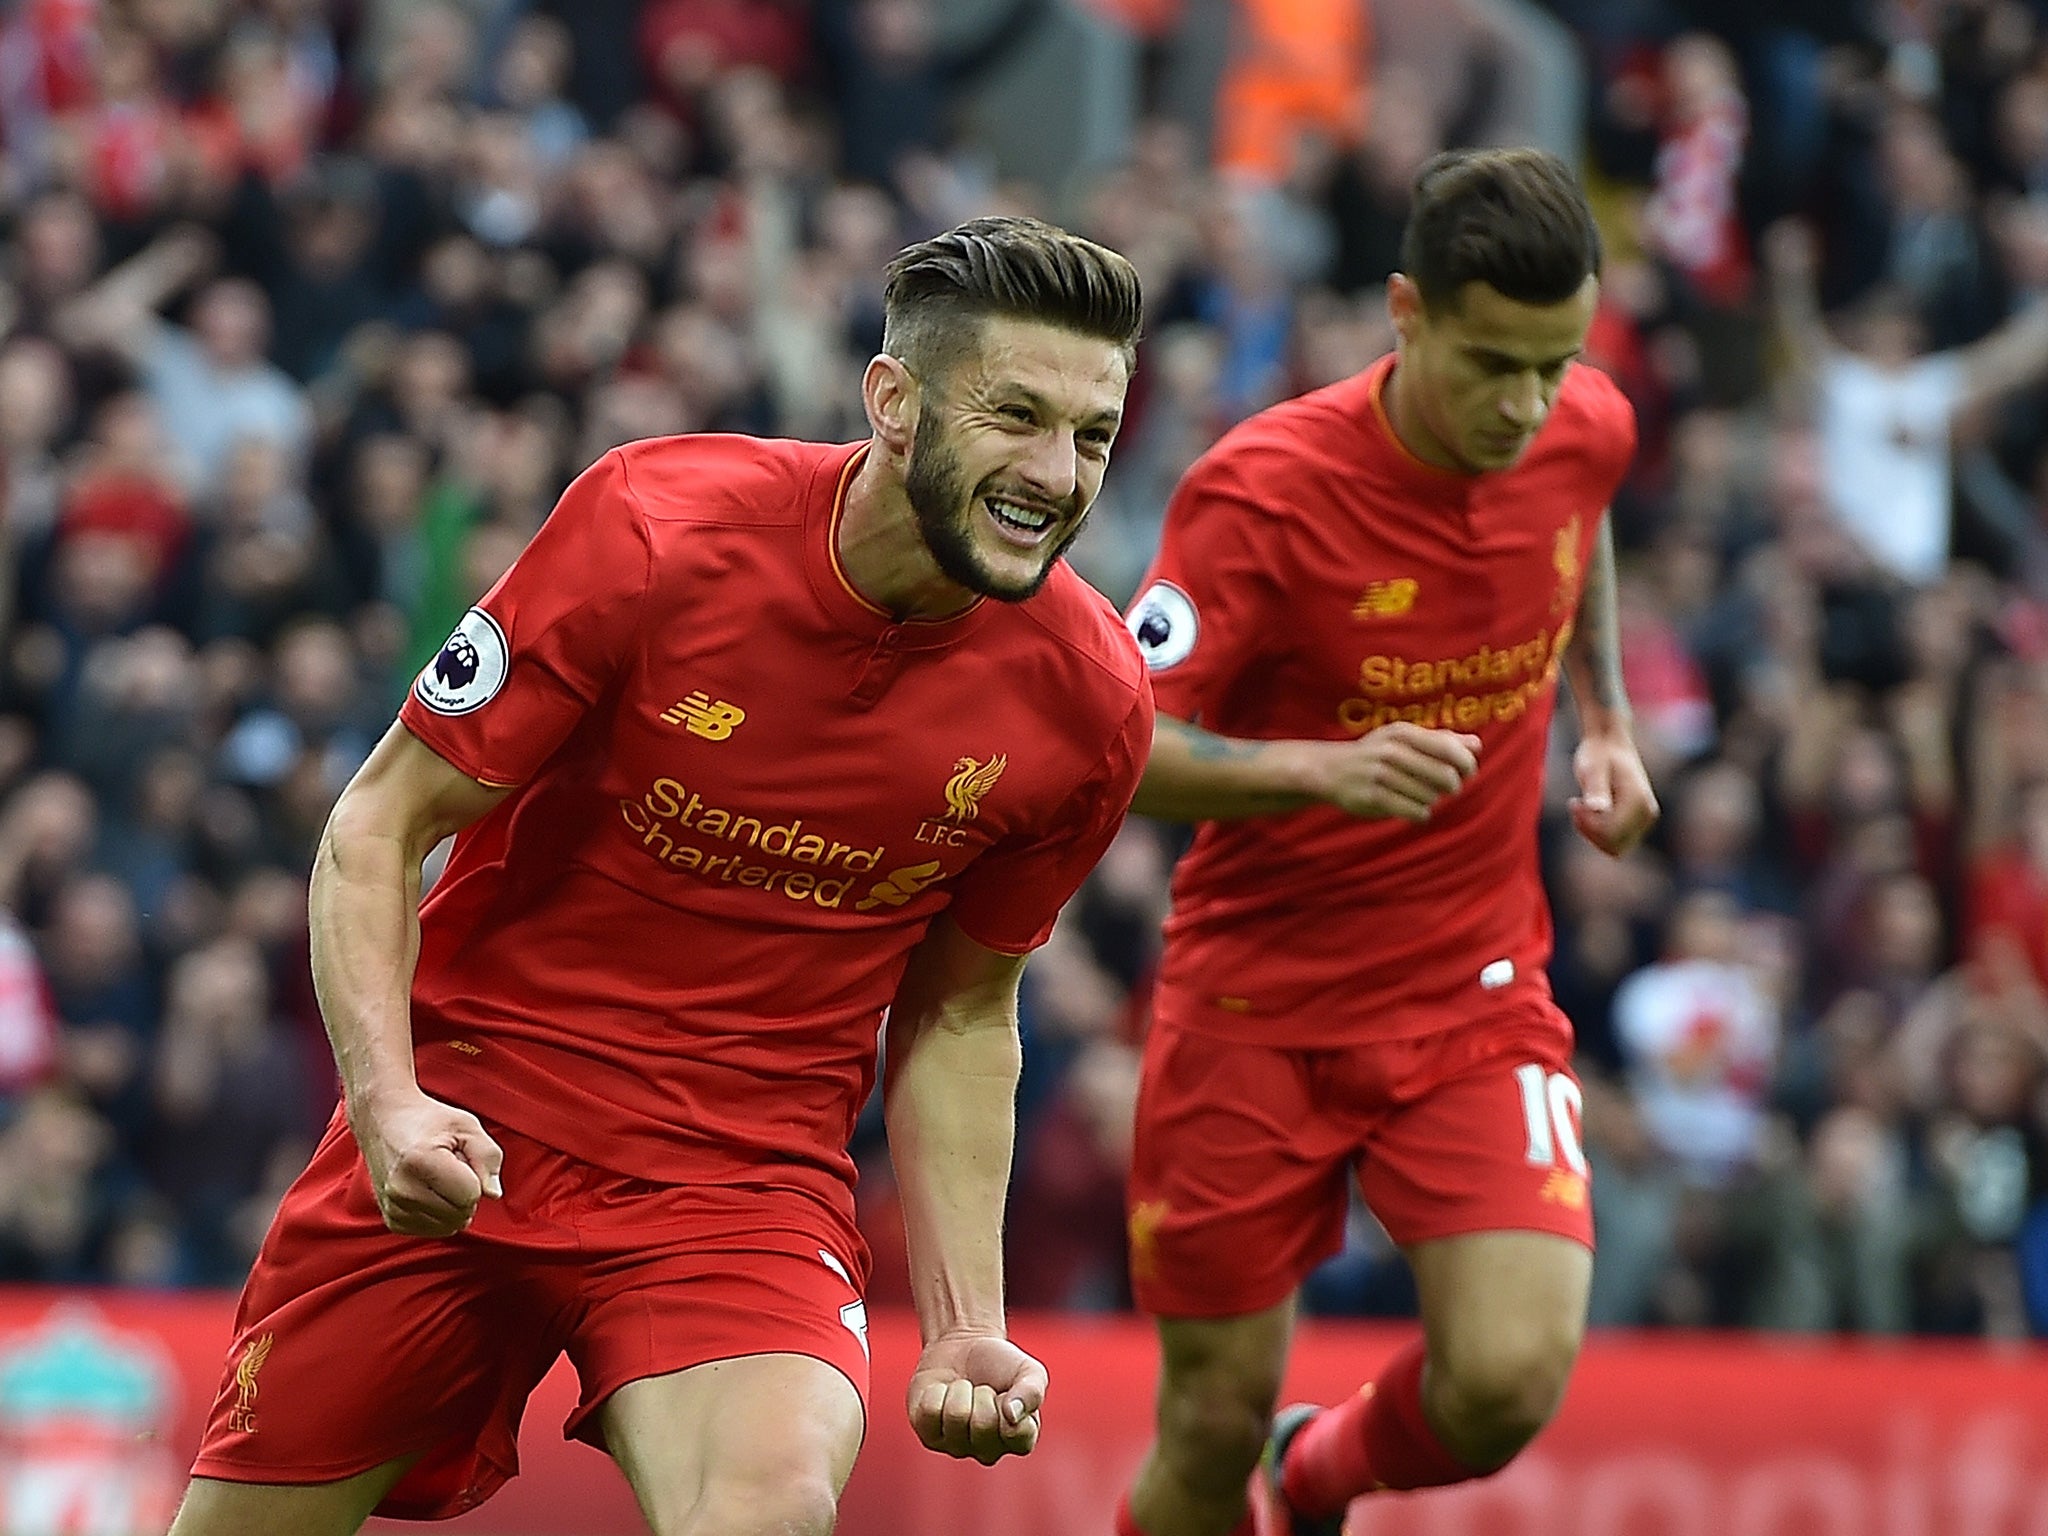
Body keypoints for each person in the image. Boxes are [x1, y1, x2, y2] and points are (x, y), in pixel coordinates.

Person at [166, 215, 1153, 1536]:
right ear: (894, 401)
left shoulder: (1089, 703)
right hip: (468, 1123)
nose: (1056, 472)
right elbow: (380, 823)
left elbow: (964, 1012)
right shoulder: (656, 527)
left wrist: (970, 1327)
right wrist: (389, 1102)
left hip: (740, 1190)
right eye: (1018, 415)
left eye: (1091, 435)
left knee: (767, 1506)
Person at [1113, 148, 1658, 1536]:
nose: (1529, 405)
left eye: (1557, 363)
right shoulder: (1263, 494)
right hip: (1254, 1007)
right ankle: (1256, 1463)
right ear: (1406, 312)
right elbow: (1113, 746)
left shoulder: (1582, 428)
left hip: (1473, 992)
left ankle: (1320, 1476)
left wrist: (1606, 719)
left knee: (1509, 1377)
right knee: (1202, 1428)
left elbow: (1578, 520)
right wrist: (1319, 771)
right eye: (1493, 364)